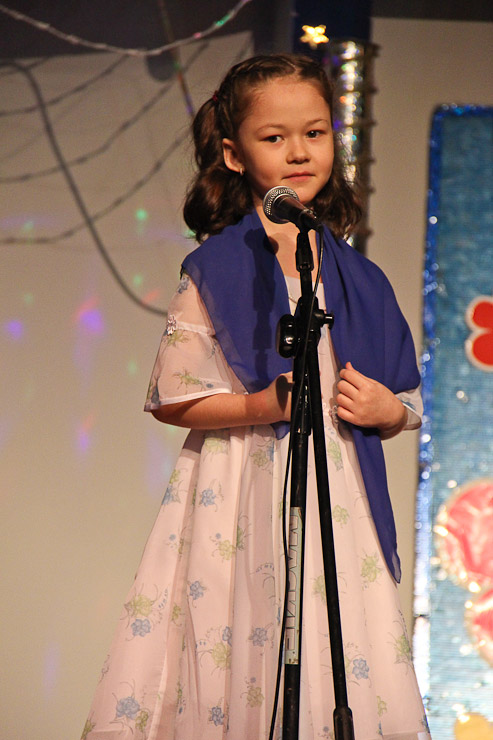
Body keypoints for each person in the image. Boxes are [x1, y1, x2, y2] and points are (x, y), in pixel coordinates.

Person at [81, 54, 430, 740]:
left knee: (333, 637)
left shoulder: (358, 276)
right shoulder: (216, 266)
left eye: (315, 133)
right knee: (246, 630)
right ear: (234, 154)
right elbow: (173, 395)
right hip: (239, 490)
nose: (299, 152)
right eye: (274, 138)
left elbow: (403, 396)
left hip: (336, 497)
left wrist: (390, 413)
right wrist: (261, 406)